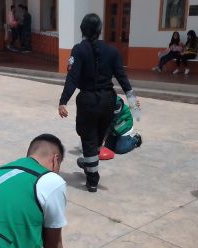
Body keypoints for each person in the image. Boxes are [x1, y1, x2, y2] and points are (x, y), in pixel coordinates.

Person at [58, 13, 138, 192]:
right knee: (96, 140)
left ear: (82, 31)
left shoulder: (78, 50)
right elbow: (122, 78)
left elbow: (72, 78)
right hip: (108, 100)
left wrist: (63, 101)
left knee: (88, 140)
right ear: (100, 30)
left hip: (88, 101)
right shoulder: (112, 51)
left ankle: (92, 180)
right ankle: (89, 165)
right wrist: (132, 99)